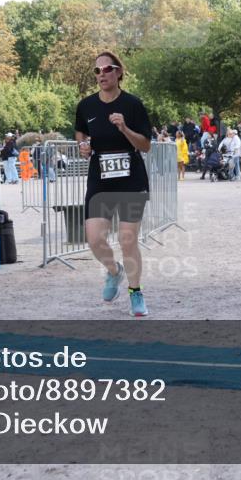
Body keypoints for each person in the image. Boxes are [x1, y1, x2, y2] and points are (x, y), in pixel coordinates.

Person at [75, 50, 153, 317]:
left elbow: (146, 146)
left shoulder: (133, 104)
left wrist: (125, 129)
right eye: (97, 71)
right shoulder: (86, 105)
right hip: (101, 178)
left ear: (119, 72)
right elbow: (80, 132)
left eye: (107, 69)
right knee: (95, 239)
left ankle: (135, 292)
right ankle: (114, 271)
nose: (101, 75)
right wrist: (82, 146)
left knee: (127, 240)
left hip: (131, 177)